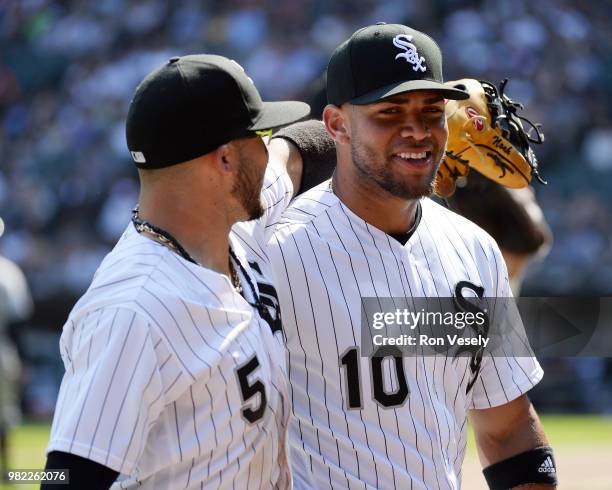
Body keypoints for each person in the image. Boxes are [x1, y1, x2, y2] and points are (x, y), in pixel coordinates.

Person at [267, 23, 557, 489]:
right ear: (337, 123)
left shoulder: (474, 249)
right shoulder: (274, 250)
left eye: (432, 111)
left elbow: (507, 432)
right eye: (390, 111)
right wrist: (290, 149)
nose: (417, 130)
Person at [44, 54, 310, 489]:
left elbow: (297, 154)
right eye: (258, 135)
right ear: (224, 160)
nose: (267, 149)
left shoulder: (235, 228)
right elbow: (66, 479)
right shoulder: (132, 310)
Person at [0, 218, 33, 480]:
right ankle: (7, 471)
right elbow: (18, 325)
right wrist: (24, 360)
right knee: (3, 415)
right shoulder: (7, 272)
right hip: (2, 352)